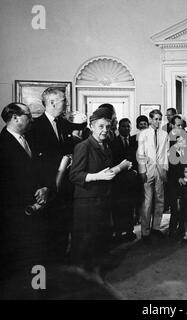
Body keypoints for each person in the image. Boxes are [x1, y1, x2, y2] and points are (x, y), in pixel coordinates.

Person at [27, 87, 86, 263]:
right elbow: (34, 163)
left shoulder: (65, 125)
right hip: (47, 188)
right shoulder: (34, 127)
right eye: (64, 101)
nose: (66, 104)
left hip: (67, 187)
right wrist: (45, 185)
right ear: (52, 102)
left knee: (64, 229)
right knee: (47, 233)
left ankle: (61, 265)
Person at [0, 103, 49, 293]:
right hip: (17, 214)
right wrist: (28, 206)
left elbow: (40, 169)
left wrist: (45, 188)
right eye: (28, 115)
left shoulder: (29, 140)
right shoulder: (3, 144)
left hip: (38, 209)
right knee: (19, 257)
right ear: (15, 118)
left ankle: (39, 289)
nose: (32, 118)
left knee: (38, 253)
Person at [69, 108, 117, 282]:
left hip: (102, 198)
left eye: (108, 127)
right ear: (91, 126)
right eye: (101, 126)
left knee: (99, 237)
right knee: (85, 240)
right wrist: (97, 176)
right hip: (87, 202)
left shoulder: (106, 146)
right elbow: (74, 175)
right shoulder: (83, 146)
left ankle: (95, 272)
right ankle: (81, 277)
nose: (105, 130)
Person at [137, 109, 169, 243]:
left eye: (159, 119)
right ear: (150, 120)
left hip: (160, 170)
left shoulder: (164, 134)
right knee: (147, 201)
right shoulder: (144, 134)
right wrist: (142, 171)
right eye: (155, 119)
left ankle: (156, 227)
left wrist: (165, 170)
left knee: (160, 200)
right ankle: (145, 231)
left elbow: (166, 153)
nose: (157, 121)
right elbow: (140, 153)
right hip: (148, 170)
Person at [110, 118, 137, 243]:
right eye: (123, 126)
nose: (126, 128)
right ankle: (118, 232)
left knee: (130, 206)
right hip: (118, 181)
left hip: (131, 180)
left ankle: (129, 231)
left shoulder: (134, 142)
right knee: (118, 207)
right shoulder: (113, 142)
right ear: (119, 128)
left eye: (128, 126)